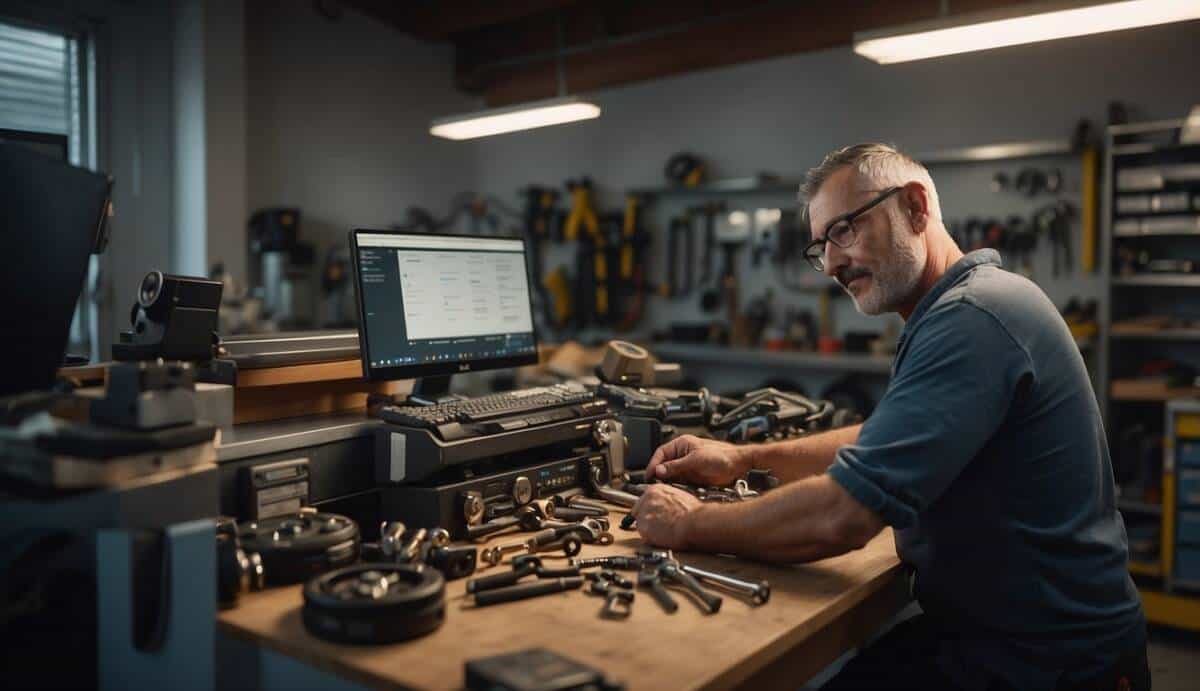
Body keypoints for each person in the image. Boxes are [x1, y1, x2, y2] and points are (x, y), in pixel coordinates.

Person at [631, 143, 1149, 690]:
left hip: (1047, 663)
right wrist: (743, 458)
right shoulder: (969, 304)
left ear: (916, 207)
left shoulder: (972, 318)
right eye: (819, 246)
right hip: (1003, 637)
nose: (829, 264)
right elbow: (887, 437)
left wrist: (690, 524)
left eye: (843, 230)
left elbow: (841, 517)